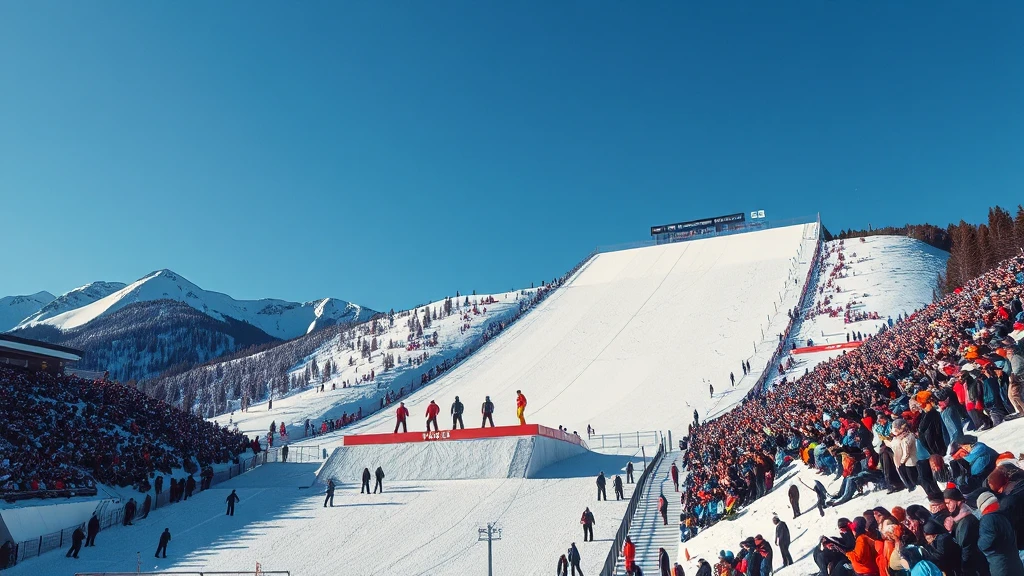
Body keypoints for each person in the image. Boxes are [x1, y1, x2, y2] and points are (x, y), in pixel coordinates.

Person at [976, 492, 1024, 576]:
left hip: (1000, 567)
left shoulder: (987, 519)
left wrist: (978, 543)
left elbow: (987, 543)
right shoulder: (1005, 516)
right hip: (1016, 564)